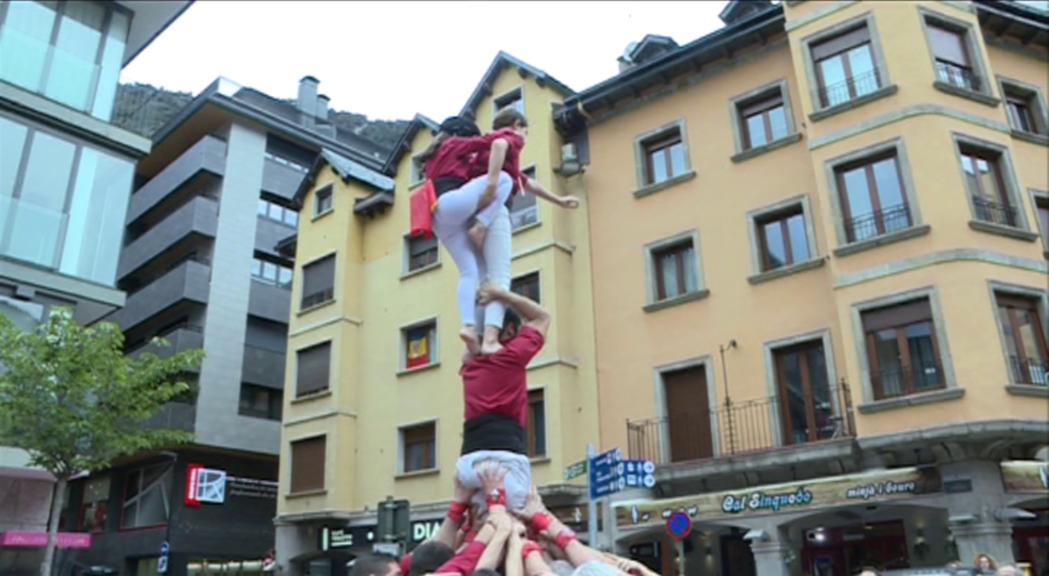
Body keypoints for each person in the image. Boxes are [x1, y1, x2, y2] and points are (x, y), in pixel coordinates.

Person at [456, 284, 550, 511]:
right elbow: (542, 317)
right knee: (513, 530)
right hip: (505, 459)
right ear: (508, 331)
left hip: (469, 462)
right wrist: (502, 295)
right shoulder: (511, 356)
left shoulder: (469, 367)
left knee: (480, 530)